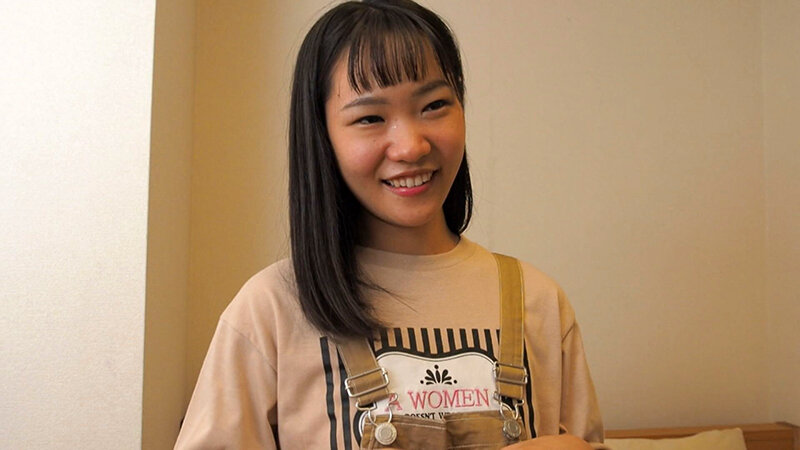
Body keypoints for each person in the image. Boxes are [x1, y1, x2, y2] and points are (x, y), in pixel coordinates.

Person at [175, 1, 605, 448]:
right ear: (322, 137)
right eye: (370, 118)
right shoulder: (271, 309)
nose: (411, 147)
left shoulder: (539, 302)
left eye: (434, 105)